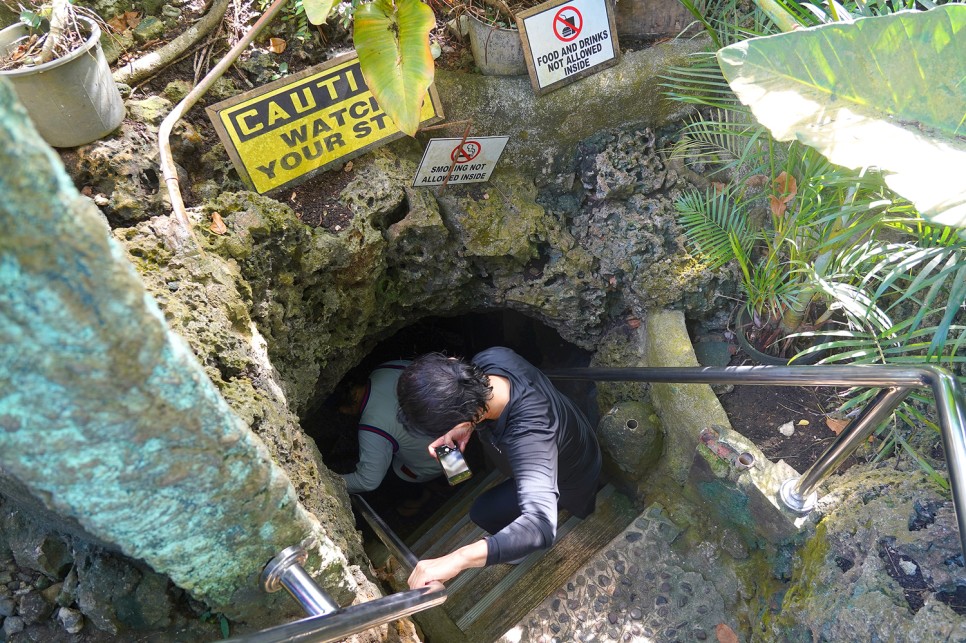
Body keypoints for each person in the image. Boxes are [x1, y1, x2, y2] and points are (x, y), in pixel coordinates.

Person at [396, 347, 602, 589]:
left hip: (571, 475)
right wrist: (468, 424)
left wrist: (458, 559)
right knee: (483, 508)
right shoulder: (489, 359)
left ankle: (518, 551)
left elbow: (540, 527)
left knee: (483, 512)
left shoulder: (530, 436)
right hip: (572, 433)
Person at [340, 360, 443, 514]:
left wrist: (327, 480)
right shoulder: (386, 368)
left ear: (345, 408)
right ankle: (459, 482)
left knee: (394, 475)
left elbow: (368, 482)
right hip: (455, 436)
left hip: (433, 464)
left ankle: (423, 497)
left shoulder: (372, 427)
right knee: (458, 472)